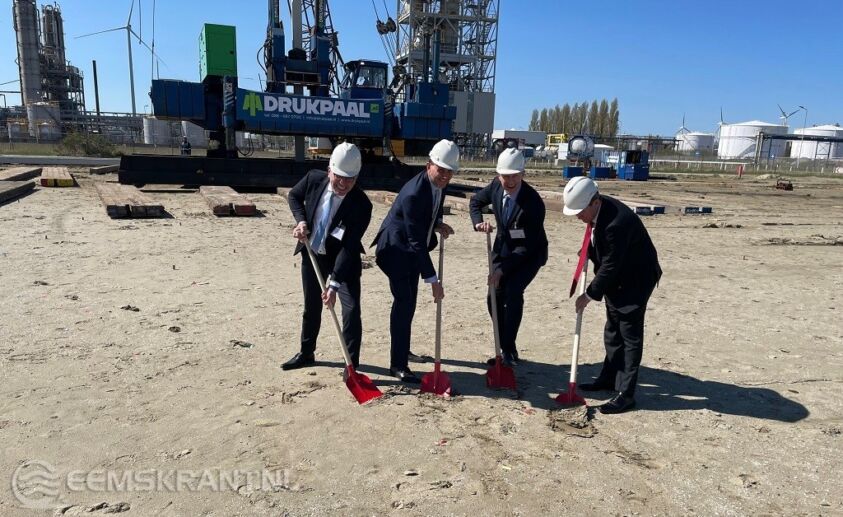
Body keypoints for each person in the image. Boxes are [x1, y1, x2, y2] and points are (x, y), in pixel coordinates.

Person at [562, 176, 662, 414]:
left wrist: (588, 295)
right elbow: (603, 248)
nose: (577, 216)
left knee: (629, 337)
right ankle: (608, 379)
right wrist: (589, 252)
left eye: (579, 211)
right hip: (618, 280)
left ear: (594, 202)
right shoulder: (601, 209)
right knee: (613, 330)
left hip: (635, 282)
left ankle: (626, 395)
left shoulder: (616, 223)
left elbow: (610, 266)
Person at [372, 139, 458, 383]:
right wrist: (434, 280)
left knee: (408, 304)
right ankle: (397, 365)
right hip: (394, 250)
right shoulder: (413, 193)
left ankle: (403, 350)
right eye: (440, 170)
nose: (444, 176)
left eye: (449, 172)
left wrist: (437, 223)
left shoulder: (439, 185)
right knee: (404, 303)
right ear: (429, 165)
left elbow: (430, 213)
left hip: (410, 249)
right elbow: (415, 240)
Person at [282, 142, 373, 371]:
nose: (343, 184)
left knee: (351, 310)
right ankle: (306, 352)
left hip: (344, 261)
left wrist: (333, 284)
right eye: (339, 177)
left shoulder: (362, 205)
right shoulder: (314, 179)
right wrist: (301, 221)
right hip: (313, 253)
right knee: (311, 307)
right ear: (330, 170)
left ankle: (351, 364)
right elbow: (294, 196)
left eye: (350, 179)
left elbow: (349, 246)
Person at [469, 148, 548, 366]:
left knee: (513, 291)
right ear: (498, 175)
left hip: (529, 253)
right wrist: (478, 222)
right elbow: (475, 202)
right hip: (503, 248)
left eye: (515, 175)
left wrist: (501, 271)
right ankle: (504, 346)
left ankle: (508, 348)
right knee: (493, 296)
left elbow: (525, 247)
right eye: (506, 176)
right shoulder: (495, 186)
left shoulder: (533, 203)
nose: (510, 181)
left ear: (522, 174)